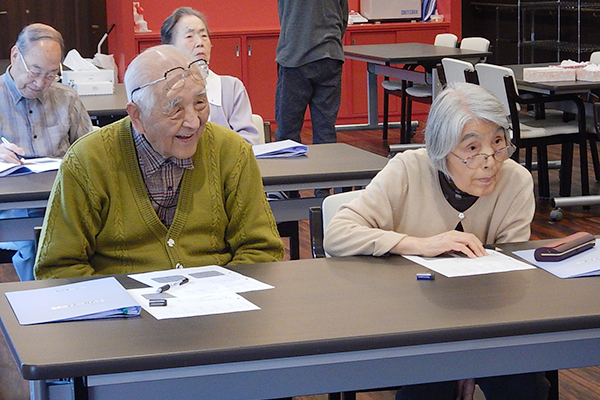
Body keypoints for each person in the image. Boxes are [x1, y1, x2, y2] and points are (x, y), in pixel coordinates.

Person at [324, 82, 550, 400]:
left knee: (525, 386)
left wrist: (468, 361)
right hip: (410, 319)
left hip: (486, 320)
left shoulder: (515, 181)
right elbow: (338, 233)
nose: (490, 160)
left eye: (498, 143)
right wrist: (420, 245)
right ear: (441, 150)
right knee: (432, 385)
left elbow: (510, 276)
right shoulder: (408, 170)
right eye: (472, 149)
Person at [34, 45, 284, 279]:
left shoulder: (232, 152)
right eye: (175, 109)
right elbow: (58, 266)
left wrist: (220, 295)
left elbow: (261, 249)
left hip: (220, 302)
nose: (193, 122)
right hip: (124, 306)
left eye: (200, 103)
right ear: (136, 116)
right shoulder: (88, 160)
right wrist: (124, 303)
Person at [0, 23, 93, 281]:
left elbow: (91, 152)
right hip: (11, 207)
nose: (41, 82)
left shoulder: (67, 98)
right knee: (37, 242)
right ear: (15, 55)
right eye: (35, 71)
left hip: (63, 198)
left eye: (52, 75)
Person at [161, 7, 260, 145]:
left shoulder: (231, 88)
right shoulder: (160, 91)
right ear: (170, 48)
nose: (200, 43)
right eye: (189, 36)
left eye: (204, 35)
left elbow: (248, 142)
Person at [275, 0, 348, 146]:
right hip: (329, 54)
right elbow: (343, 17)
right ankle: (326, 161)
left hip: (295, 55)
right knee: (325, 129)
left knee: (288, 131)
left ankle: (289, 161)